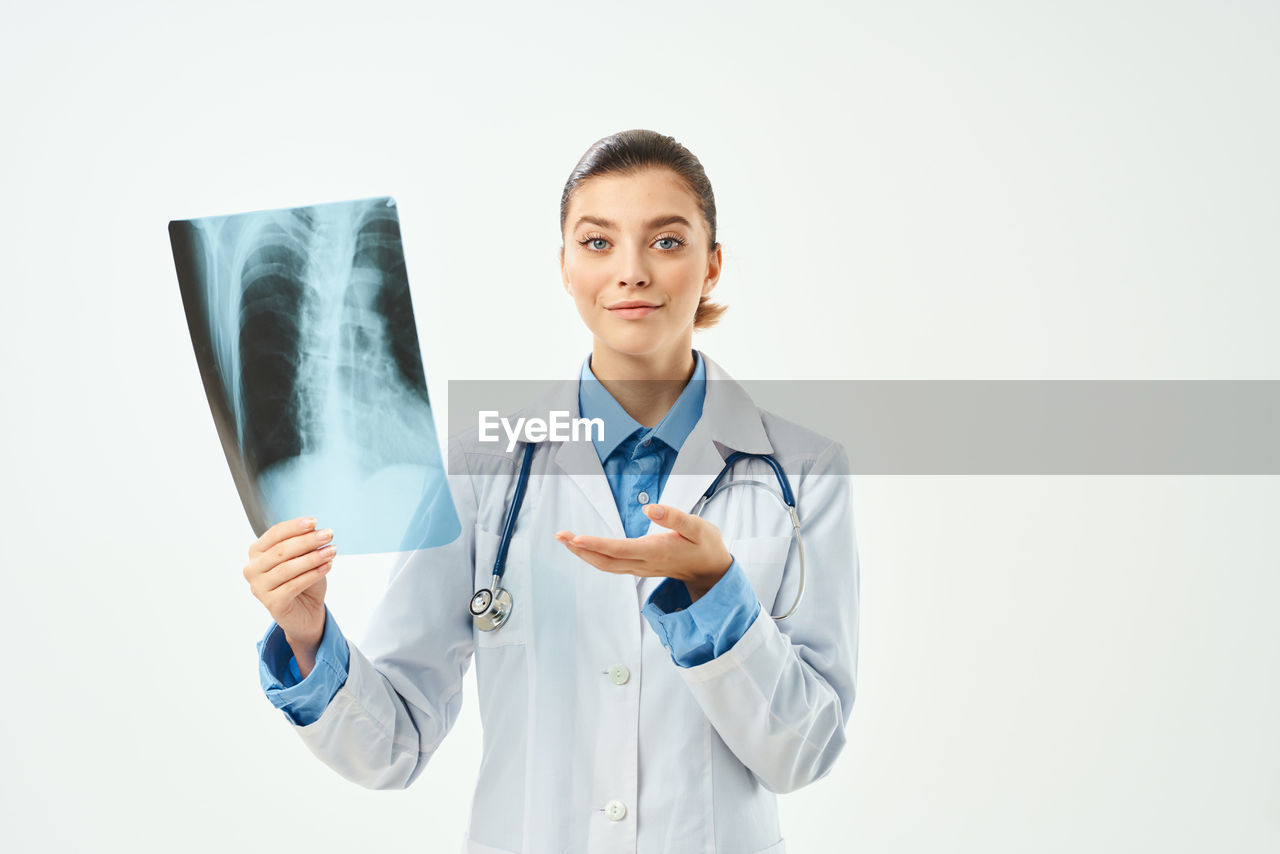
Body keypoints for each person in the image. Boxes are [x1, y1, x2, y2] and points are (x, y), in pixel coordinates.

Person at [243, 128, 860, 854]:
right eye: (598, 243)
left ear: (713, 264)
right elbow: (394, 744)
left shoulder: (805, 469)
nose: (630, 272)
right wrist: (308, 633)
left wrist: (717, 591)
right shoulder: (485, 460)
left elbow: (804, 751)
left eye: (666, 241)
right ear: (565, 267)